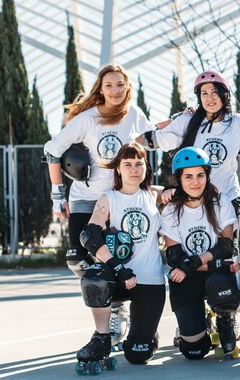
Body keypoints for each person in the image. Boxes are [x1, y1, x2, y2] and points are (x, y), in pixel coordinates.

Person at [43, 63, 155, 345]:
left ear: (127, 87)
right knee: (78, 258)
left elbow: (150, 143)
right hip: (85, 198)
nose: (115, 90)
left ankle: (116, 307)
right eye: (109, 85)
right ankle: (114, 302)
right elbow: (52, 150)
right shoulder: (88, 118)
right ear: (100, 89)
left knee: (116, 255)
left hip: (117, 199)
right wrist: (58, 195)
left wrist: (182, 121)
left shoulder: (135, 115)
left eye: (120, 84)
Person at [76, 142, 165, 370]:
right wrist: (117, 267)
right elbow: (89, 235)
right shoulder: (109, 198)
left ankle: (146, 333)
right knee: (94, 276)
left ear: (146, 166)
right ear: (118, 168)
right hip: (121, 276)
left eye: (139, 163)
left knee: (137, 355)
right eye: (127, 164)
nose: (134, 169)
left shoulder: (155, 195)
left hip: (150, 280)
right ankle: (102, 338)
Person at [139, 70, 240, 229]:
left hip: (229, 196)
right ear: (199, 98)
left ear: (224, 95)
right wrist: (171, 121)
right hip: (196, 200)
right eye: (204, 93)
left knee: (233, 247)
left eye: (214, 92)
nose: (209, 98)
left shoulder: (237, 122)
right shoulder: (187, 121)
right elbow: (148, 140)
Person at [161, 146, 240, 360]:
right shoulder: (170, 209)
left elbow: (225, 246)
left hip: (212, 274)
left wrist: (195, 262)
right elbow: (175, 257)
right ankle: (202, 324)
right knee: (194, 352)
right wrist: (214, 264)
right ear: (179, 178)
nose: (195, 182)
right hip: (192, 275)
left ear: (207, 176)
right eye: (188, 176)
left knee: (222, 284)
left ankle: (225, 319)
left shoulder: (220, 201)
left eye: (200, 175)